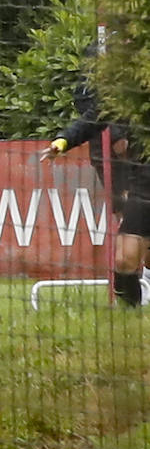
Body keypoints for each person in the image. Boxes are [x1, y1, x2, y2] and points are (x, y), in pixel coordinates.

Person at [40, 41, 150, 306]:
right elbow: (91, 119)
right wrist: (62, 142)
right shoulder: (122, 94)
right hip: (144, 184)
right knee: (124, 258)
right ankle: (130, 316)